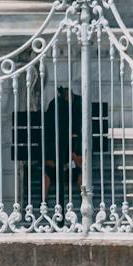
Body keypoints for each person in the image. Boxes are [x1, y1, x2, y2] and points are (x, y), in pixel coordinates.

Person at [39, 87, 84, 216]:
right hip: (58, 153)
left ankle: (84, 199)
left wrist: (74, 155)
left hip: (70, 155)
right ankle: (43, 202)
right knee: (49, 171)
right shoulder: (56, 105)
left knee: (78, 170)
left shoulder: (75, 104)